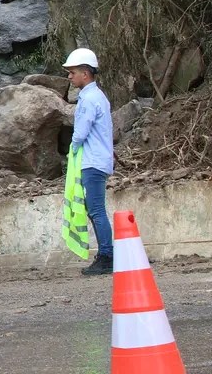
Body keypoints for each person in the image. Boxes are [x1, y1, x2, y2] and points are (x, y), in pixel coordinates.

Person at [66, 47, 114, 275]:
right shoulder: (97, 96)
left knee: (96, 210)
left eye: (72, 72)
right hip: (97, 160)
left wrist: (72, 150)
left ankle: (107, 255)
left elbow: (80, 132)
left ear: (85, 74)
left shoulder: (89, 99)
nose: (70, 77)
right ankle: (106, 253)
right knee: (95, 209)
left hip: (92, 161)